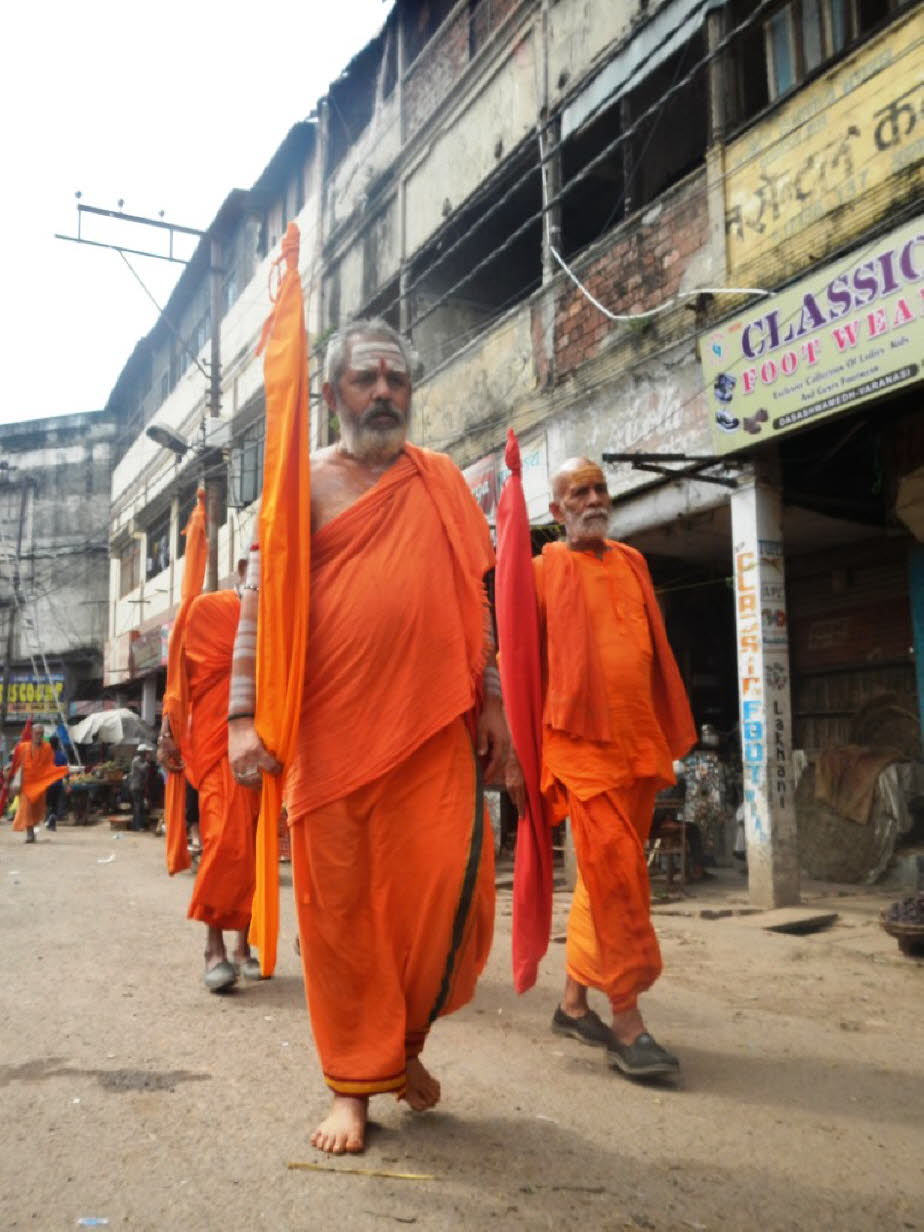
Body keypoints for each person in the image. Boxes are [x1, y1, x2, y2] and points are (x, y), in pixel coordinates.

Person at [228, 318, 508, 1154]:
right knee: (343, 919)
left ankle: (403, 1045)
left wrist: (491, 701)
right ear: (330, 393)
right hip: (333, 737)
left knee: (444, 905)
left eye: (397, 380)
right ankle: (354, 1084)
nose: (384, 393)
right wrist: (243, 716)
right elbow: (260, 610)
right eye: (366, 379)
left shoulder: (445, 481)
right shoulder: (301, 486)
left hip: (435, 732)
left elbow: (475, 602)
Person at [511, 456, 696, 1079]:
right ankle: (627, 1021)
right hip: (579, 747)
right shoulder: (541, 571)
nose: (593, 499)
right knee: (617, 876)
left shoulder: (635, 562)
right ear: (557, 510)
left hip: (639, 741)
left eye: (599, 488)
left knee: (602, 877)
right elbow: (519, 662)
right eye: (577, 492)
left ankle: (571, 1003)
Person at [158, 562, 262, 993]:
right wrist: (167, 729)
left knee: (255, 847)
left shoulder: (286, 618)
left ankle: (244, 946)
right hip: (214, 744)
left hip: (266, 744)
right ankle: (213, 946)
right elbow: (178, 679)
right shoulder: (205, 609)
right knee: (223, 841)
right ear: (243, 568)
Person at [11, 724, 69, 844]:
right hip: (26, 784)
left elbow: (49, 767)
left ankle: (33, 831)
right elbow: (16, 764)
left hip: (39, 784)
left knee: (37, 810)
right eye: (37, 733)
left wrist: (63, 771)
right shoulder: (23, 747)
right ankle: (30, 834)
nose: (39, 736)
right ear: (32, 734)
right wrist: (13, 780)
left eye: (42, 733)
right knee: (26, 808)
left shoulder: (47, 748)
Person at [44, 735, 70, 831]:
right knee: (55, 804)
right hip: (58, 784)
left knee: (48, 804)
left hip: (47, 784)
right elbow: (66, 771)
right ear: (58, 744)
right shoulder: (62, 756)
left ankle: (48, 820)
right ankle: (53, 824)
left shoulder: (46, 756)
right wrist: (67, 784)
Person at [128, 744, 152, 832]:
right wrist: (147, 761)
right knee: (138, 806)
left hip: (140, 786)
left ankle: (139, 825)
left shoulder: (141, 760)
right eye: (147, 752)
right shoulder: (136, 761)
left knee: (140, 806)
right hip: (136, 787)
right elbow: (143, 768)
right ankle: (137, 826)